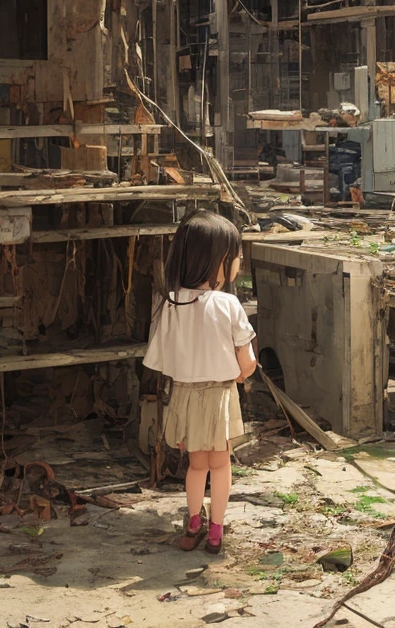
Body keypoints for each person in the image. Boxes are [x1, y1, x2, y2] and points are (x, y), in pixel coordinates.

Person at [143, 210, 257, 554]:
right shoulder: (228, 304)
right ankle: (217, 530)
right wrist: (240, 373)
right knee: (220, 465)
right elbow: (247, 362)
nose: (238, 262)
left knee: (195, 466)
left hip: (184, 396)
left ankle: (193, 521)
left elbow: (161, 361)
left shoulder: (171, 303)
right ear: (219, 261)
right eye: (235, 256)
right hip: (219, 397)